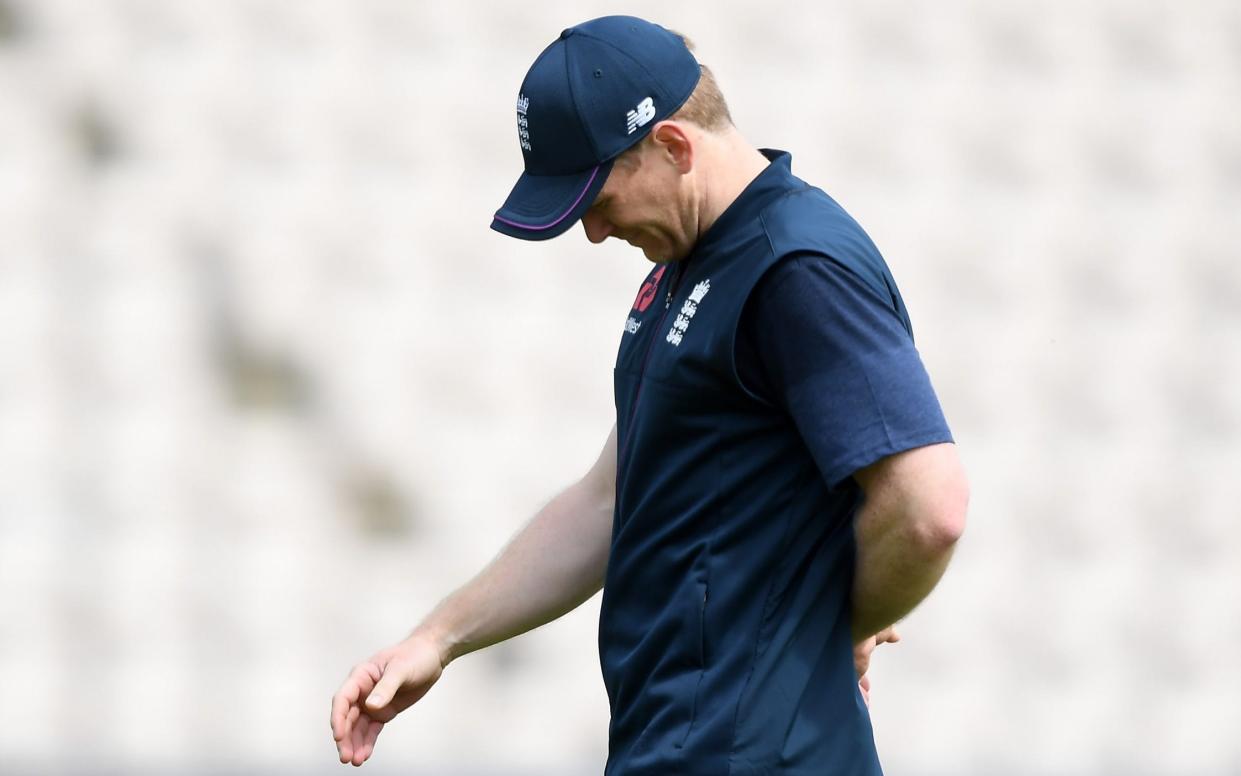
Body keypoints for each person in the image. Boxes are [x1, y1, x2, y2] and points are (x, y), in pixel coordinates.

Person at [331, 15, 968, 775]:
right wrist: (435, 639)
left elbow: (929, 507)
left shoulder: (794, 267)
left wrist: (840, 623)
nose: (593, 232)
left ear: (672, 145)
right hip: (680, 743)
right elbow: (608, 498)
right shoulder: (685, 267)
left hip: (753, 752)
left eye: (596, 197)